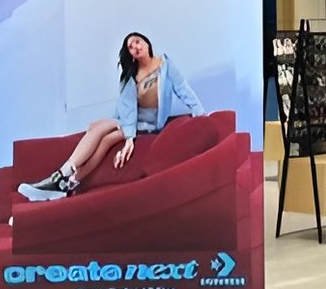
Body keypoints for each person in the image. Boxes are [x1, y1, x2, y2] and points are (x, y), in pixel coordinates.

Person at [18, 32, 204, 201]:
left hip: (148, 124)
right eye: (130, 47)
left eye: (137, 42)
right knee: (102, 136)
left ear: (147, 43)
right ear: (130, 55)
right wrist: (128, 136)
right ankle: (66, 184)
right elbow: (128, 109)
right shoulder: (131, 75)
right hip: (131, 121)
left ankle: (59, 176)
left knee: (99, 129)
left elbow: (183, 89)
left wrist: (201, 114)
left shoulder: (165, 65)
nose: (135, 47)